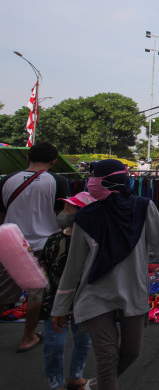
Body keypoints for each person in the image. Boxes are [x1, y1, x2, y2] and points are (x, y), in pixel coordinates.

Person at [51, 160, 159, 390]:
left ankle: (100, 383)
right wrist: (60, 307)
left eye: (94, 178)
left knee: (132, 351)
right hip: (95, 295)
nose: (90, 183)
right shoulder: (86, 218)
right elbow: (74, 265)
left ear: (107, 182)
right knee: (108, 354)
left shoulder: (143, 208)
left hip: (133, 290)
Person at [0, 141, 69, 353]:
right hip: (44, 244)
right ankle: (27, 337)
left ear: (28, 158)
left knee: (3, 293)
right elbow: (62, 215)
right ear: (53, 161)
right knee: (37, 293)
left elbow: (2, 214)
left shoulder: (6, 180)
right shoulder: (58, 182)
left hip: (10, 244)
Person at [40, 192, 96, 390]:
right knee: (54, 344)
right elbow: (44, 266)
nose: (63, 214)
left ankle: (75, 375)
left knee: (83, 340)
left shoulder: (93, 242)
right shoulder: (54, 240)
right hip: (54, 299)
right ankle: (55, 383)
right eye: (63, 209)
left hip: (83, 299)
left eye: (68, 210)